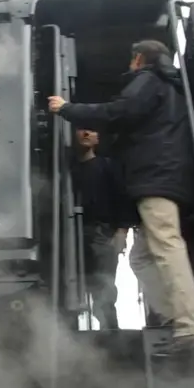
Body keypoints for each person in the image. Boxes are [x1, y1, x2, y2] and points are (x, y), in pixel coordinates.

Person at [48, 39, 194, 356]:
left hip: (156, 177)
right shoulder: (171, 89)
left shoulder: (149, 80)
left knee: (166, 244)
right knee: (142, 257)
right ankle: (171, 317)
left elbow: (120, 111)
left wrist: (67, 109)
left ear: (139, 58)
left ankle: (192, 327)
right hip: (163, 175)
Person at [70, 128, 136, 331]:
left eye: (92, 130)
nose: (86, 134)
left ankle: (110, 332)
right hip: (71, 235)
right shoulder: (65, 170)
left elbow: (123, 198)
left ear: (98, 138)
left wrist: (122, 231)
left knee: (104, 287)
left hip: (101, 232)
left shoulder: (107, 166)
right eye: (81, 129)